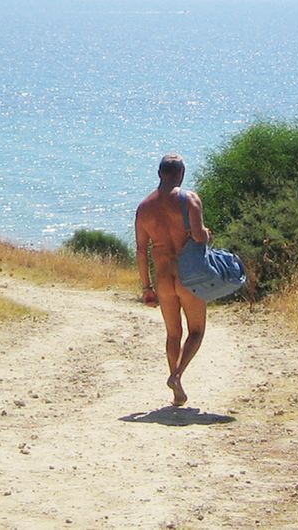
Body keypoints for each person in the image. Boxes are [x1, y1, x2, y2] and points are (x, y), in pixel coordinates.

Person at [135, 152, 212, 406]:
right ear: (182, 174)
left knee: (172, 334)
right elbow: (200, 237)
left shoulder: (144, 208)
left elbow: (141, 251)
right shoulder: (189, 199)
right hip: (188, 275)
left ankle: (175, 386)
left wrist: (146, 287)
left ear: (159, 173)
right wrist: (205, 233)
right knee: (197, 331)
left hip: (163, 277)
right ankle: (177, 375)